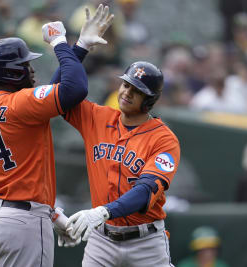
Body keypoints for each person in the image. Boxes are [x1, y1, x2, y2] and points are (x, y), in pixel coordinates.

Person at [0, 7, 113, 264]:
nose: (31, 71)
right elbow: (74, 88)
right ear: (11, 72)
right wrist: (59, 42)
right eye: (25, 65)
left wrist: (79, 47)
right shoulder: (19, 103)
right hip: (21, 221)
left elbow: (58, 89)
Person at [50, 7, 180, 266]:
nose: (127, 93)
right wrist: (81, 47)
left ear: (151, 99)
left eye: (137, 90)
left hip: (146, 243)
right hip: (102, 240)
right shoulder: (99, 117)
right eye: (126, 84)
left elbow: (145, 192)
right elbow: (56, 94)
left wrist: (103, 211)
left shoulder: (165, 140)